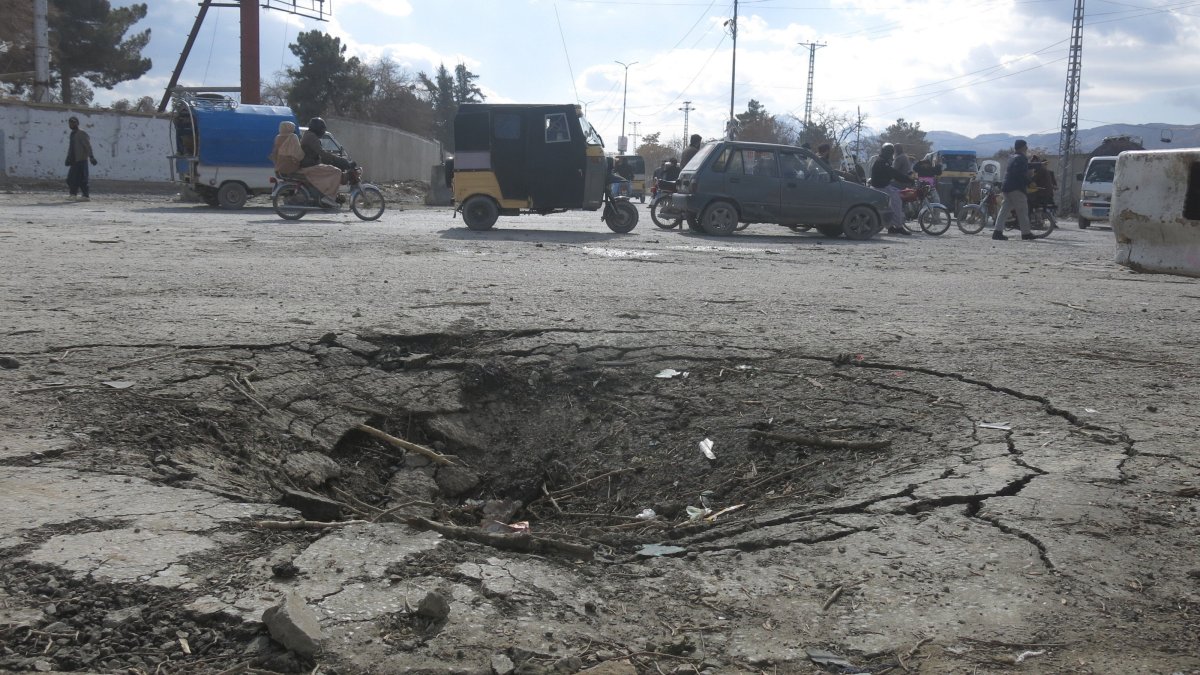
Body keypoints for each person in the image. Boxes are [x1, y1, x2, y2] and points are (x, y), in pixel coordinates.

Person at [300, 117, 350, 208]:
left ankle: (325, 195)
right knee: (337, 172)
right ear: (318, 129)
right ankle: (329, 198)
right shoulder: (311, 137)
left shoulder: (309, 135)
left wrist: (332, 159)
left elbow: (319, 153)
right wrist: (338, 159)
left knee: (330, 170)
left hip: (310, 164)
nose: (323, 132)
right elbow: (321, 152)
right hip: (310, 166)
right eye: (322, 129)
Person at [993, 139, 1035, 241]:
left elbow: (1020, 168)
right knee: (1023, 211)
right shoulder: (1022, 158)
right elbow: (1020, 173)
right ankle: (1026, 234)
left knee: (1004, 211)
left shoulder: (1012, 157)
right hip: (1016, 188)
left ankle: (997, 232)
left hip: (1007, 187)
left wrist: (1037, 164)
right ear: (1022, 147)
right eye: (1026, 146)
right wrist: (1029, 182)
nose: (1027, 148)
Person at [869, 143, 914, 235]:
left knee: (898, 195)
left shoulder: (881, 160)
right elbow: (894, 173)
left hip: (883, 186)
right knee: (897, 201)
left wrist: (906, 179)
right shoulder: (882, 162)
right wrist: (908, 180)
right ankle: (898, 226)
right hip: (881, 187)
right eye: (891, 153)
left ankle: (890, 226)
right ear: (888, 153)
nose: (892, 155)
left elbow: (893, 173)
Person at [64, 116, 97, 201]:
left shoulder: (81, 133)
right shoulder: (72, 134)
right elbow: (71, 147)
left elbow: (87, 146)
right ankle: (73, 195)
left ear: (77, 123)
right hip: (74, 160)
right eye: (70, 123)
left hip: (81, 160)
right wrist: (68, 158)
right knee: (71, 179)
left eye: (73, 122)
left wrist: (91, 157)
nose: (71, 124)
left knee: (82, 179)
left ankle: (85, 196)